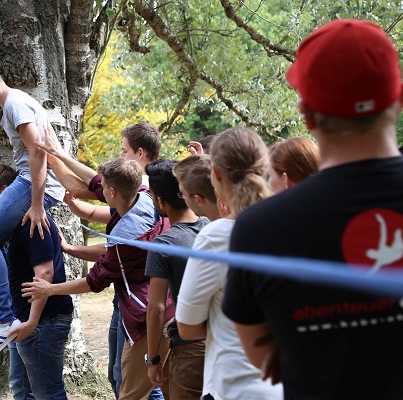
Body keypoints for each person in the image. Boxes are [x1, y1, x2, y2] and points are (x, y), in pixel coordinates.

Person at [222, 19, 403, 399]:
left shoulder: (259, 227)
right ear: (398, 99)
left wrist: (293, 344)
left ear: (306, 115)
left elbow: (261, 352)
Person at [22, 157, 174, 400]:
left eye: (103, 188)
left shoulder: (127, 235)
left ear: (112, 192)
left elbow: (94, 281)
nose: (98, 191)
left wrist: (49, 289)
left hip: (147, 318)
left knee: (131, 395)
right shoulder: (144, 195)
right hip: (169, 306)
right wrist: (56, 153)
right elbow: (94, 181)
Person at [0, 54, 66, 363]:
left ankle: (5, 320)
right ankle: (10, 317)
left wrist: (36, 204)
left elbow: (38, 152)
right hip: (32, 182)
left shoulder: (14, 104)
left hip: (31, 183)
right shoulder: (15, 104)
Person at [176, 127, 282, 400]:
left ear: (216, 175)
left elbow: (186, 326)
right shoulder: (295, 223)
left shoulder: (217, 235)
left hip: (236, 386)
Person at [144, 159, 209, 399]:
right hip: (225, 341)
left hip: (191, 349)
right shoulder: (213, 227)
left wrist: (153, 358)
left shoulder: (164, 244)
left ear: (160, 200)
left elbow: (156, 308)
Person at [6, 213, 74, 399]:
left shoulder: (34, 225)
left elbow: (44, 273)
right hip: (25, 321)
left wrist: (32, 322)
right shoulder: (18, 223)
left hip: (43, 323)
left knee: (48, 393)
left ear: (4, 190)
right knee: (21, 387)